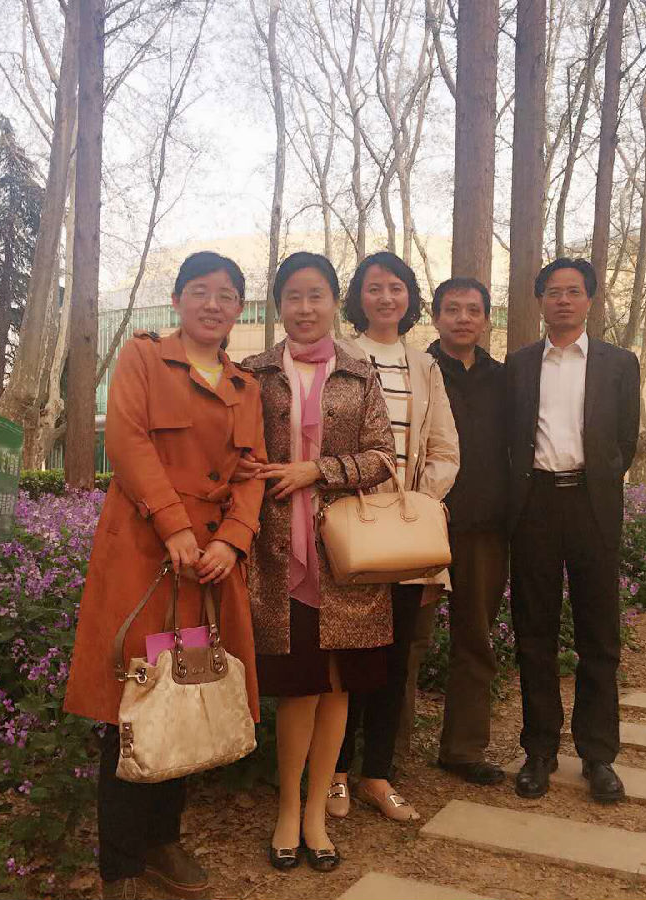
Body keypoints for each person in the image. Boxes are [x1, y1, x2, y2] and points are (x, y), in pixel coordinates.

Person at [63, 252, 266, 900]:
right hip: (145, 555)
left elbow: (252, 474)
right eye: (200, 291)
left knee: (188, 689)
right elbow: (126, 443)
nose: (213, 304)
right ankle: (120, 863)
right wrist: (174, 526)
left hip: (207, 567)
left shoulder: (246, 386)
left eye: (227, 295)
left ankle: (162, 840)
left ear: (239, 309)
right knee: (134, 696)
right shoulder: (144, 358)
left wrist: (233, 540)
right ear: (178, 300)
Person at [241, 251, 397, 873]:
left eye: (316, 296)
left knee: (337, 687)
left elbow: (382, 458)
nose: (305, 309)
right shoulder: (253, 375)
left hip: (345, 558)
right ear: (278, 304)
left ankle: (315, 813)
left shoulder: (359, 374)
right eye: (293, 297)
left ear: (335, 302)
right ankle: (287, 809)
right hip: (278, 554)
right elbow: (233, 454)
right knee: (298, 688)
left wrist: (317, 471)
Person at [330, 251, 460, 823]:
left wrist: (417, 501)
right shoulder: (339, 356)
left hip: (405, 535)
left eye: (396, 288)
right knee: (347, 659)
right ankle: (334, 773)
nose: (386, 298)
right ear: (358, 297)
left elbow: (445, 447)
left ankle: (376, 776)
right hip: (352, 530)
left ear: (410, 298)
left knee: (394, 662)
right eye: (374, 287)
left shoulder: (424, 365)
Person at [506, 257, 640, 804]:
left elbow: (625, 440)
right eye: (554, 292)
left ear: (589, 300)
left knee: (599, 635)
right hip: (535, 504)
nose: (563, 300)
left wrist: (600, 479)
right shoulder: (519, 364)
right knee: (534, 632)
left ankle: (598, 755)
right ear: (540, 300)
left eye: (573, 291)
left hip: (592, 505)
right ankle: (539, 750)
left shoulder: (618, 363)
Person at [426, 276, 510, 785]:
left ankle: (463, 749)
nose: (462, 318)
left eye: (472, 310)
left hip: (484, 528)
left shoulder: (505, 379)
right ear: (435, 317)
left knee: (475, 640)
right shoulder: (419, 370)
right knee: (407, 644)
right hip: (420, 526)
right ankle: (383, 760)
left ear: (486, 320)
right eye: (452, 309)